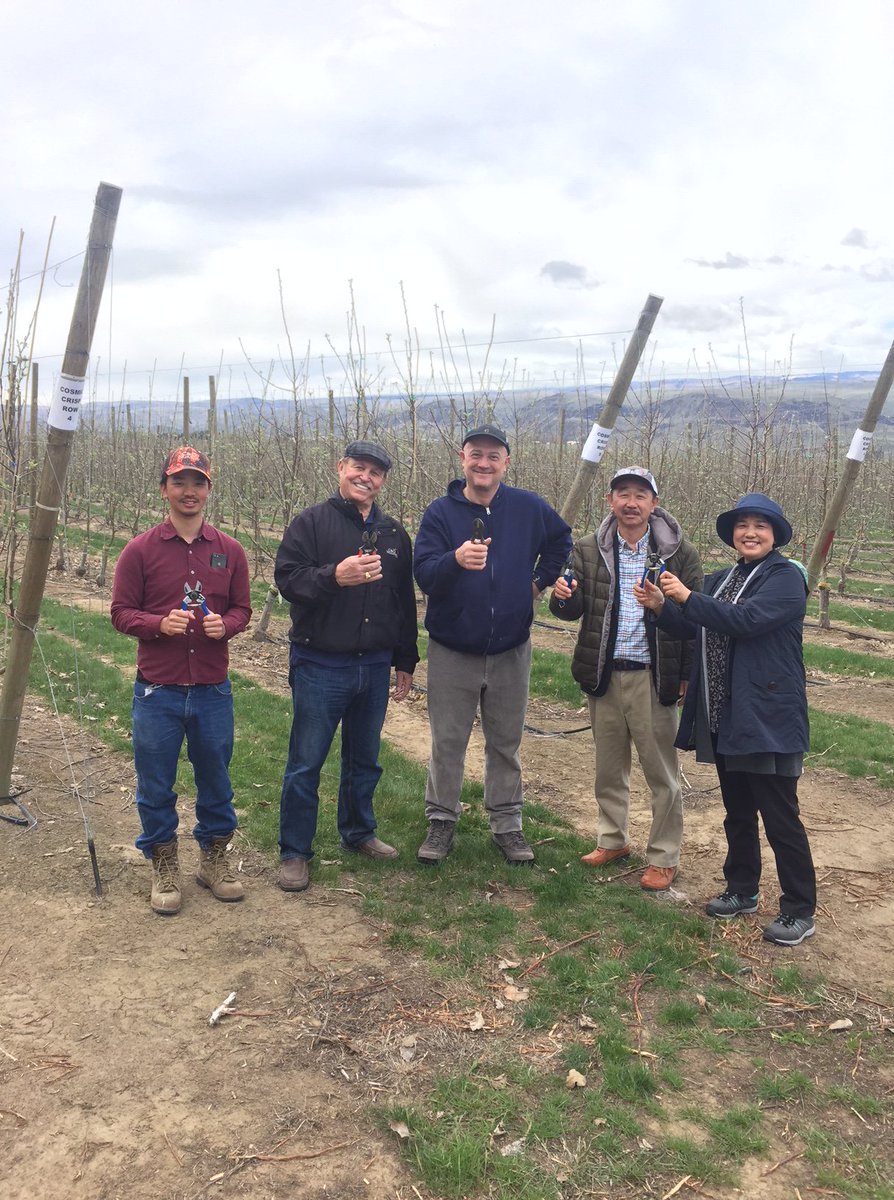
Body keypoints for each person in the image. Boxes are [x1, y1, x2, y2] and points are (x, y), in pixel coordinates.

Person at [635, 493, 817, 946]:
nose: (750, 532)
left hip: (768, 716)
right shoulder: (726, 577)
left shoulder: (785, 578)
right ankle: (742, 889)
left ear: (774, 535)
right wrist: (662, 605)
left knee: (780, 817)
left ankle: (798, 909)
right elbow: (697, 625)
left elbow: (746, 620)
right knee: (737, 812)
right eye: (742, 525)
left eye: (760, 526)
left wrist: (688, 596)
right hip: (728, 715)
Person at [413, 424, 572, 865]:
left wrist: (537, 583)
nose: (483, 463)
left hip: (510, 649)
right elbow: (424, 572)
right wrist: (455, 560)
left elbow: (561, 541)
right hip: (452, 650)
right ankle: (441, 821)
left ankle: (507, 824)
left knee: (506, 741)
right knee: (449, 740)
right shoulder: (440, 513)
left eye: (492, 455)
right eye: (475, 454)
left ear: (506, 462)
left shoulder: (527, 507)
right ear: (462, 458)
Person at [111, 446, 252, 916]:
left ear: (209, 489)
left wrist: (226, 627)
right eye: (179, 482)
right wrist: (156, 624)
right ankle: (163, 861)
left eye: (197, 482)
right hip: (159, 689)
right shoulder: (140, 551)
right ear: (164, 489)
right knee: (156, 782)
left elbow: (242, 609)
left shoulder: (230, 551)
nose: (188, 491)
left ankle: (214, 860)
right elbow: (120, 613)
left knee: (216, 778)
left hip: (212, 688)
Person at [274, 441, 419, 893]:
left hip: (374, 666)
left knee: (364, 759)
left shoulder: (395, 534)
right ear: (341, 468)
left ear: (383, 481)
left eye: (376, 472)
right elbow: (288, 581)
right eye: (359, 467)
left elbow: (402, 603)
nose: (366, 477)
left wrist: (405, 658)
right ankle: (295, 851)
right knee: (306, 762)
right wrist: (333, 577)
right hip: (321, 664)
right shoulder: (310, 523)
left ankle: (358, 832)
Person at [550, 467, 702, 891]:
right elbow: (571, 609)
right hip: (605, 674)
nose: (631, 503)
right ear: (609, 500)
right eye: (623, 494)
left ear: (654, 503)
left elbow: (696, 618)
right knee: (608, 768)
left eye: (640, 495)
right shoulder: (587, 549)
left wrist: (687, 672)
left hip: (654, 677)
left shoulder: (679, 554)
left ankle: (664, 856)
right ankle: (612, 839)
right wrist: (562, 598)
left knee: (662, 774)